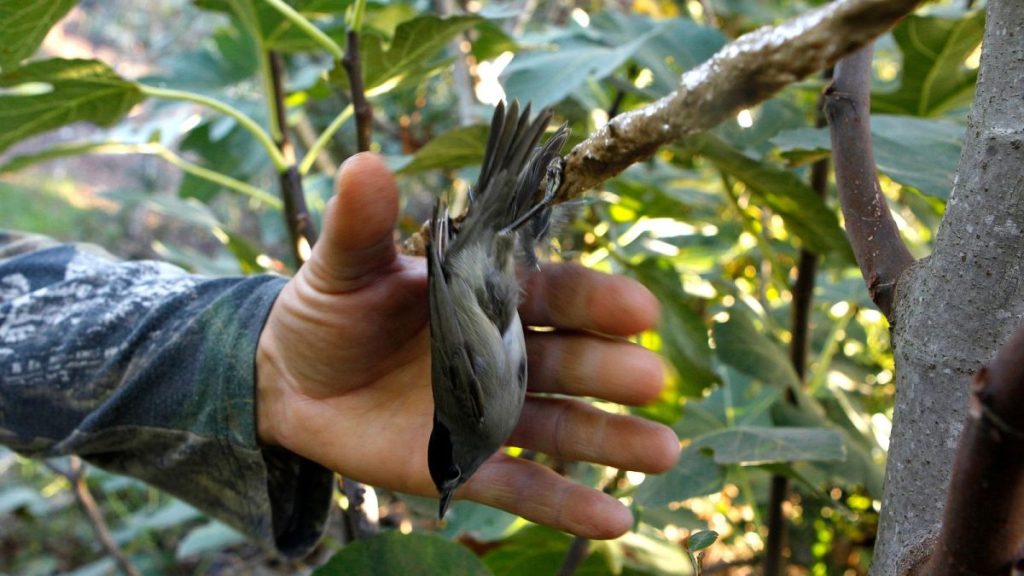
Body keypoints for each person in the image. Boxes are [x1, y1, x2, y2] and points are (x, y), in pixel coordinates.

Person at [0, 153, 680, 558]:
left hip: (471, 289)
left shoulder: (482, 420)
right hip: (474, 290)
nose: (450, 478)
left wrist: (262, 365)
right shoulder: (485, 420)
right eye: (448, 475)